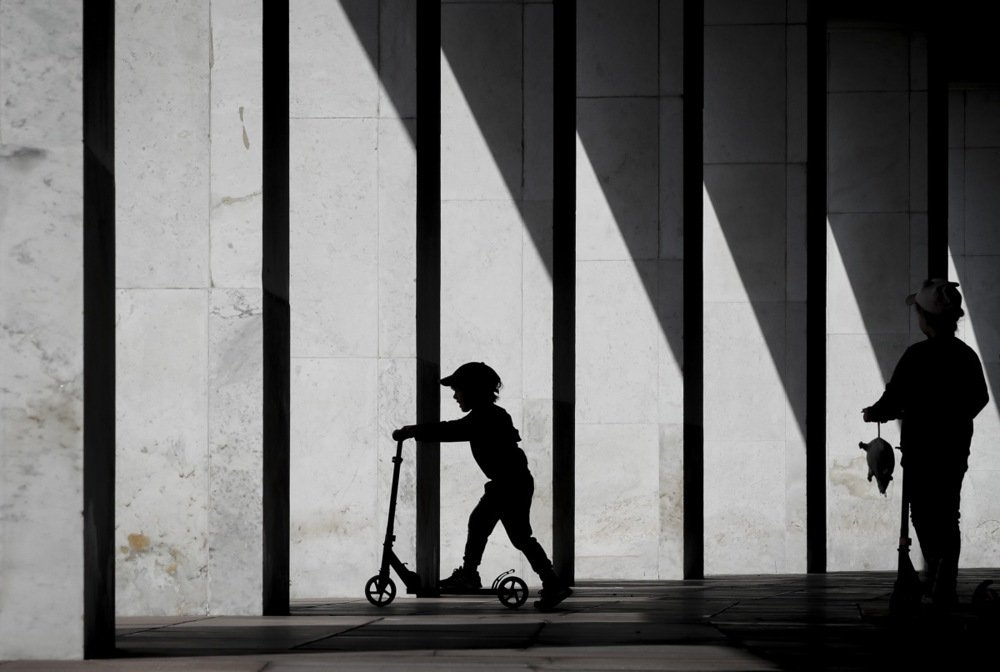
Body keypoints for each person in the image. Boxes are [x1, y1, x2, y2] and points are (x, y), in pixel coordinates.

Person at [393, 361, 572, 610]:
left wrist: (414, 431)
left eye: (459, 390)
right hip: (509, 483)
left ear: (474, 390)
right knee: (498, 529)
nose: (455, 396)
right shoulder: (491, 415)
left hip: (508, 485)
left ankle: (478, 575)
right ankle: (540, 580)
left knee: (506, 531)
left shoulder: (487, 417)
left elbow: (454, 429)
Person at [863, 279, 989, 607]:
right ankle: (944, 580)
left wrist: (875, 413)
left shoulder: (916, 357)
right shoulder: (965, 356)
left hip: (920, 450)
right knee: (948, 512)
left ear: (925, 317)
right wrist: (954, 417)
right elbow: (980, 397)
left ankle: (934, 571)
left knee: (921, 512)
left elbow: (893, 398)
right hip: (954, 448)